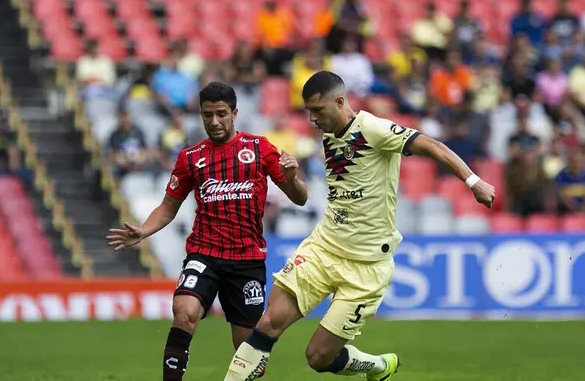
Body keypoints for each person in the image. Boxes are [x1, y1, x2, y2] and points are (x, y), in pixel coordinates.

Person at [223, 71, 495, 381]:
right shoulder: (329, 132)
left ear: (340, 101)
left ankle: (378, 367)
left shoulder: (373, 129)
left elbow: (431, 145)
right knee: (270, 322)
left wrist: (473, 181)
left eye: (318, 110)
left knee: (318, 357)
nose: (312, 119)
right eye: (308, 112)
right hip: (324, 248)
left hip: (366, 267)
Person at [105, 82, 308, 381]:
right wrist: (144, 230)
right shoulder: (190, 158)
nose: (214, 122)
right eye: (207, 115)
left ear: (235, 113)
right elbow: (168, 206)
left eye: (221, 114)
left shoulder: (259, 148)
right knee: (184, 312)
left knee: (248, 354)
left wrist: (291, 178)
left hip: (247, 260)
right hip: (205, 254)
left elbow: (300, 197)